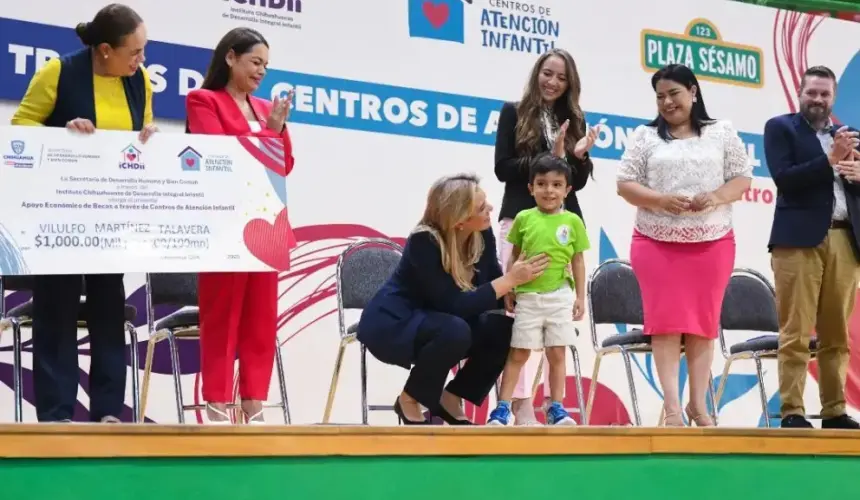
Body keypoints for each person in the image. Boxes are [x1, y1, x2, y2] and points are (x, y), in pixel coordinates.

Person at [11, 3, 156, 423]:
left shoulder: (139, 81)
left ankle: (109, 411)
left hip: (110, 214)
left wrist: (148, 138)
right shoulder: (58, 72)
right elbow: (21, 128)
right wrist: (63, 134)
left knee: (108, 311)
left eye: (144, 51)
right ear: (106, 49)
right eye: (135, 51)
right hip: (60, 213)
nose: (141, 60)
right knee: (55, 310)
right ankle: (57, 412)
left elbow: (141, 135)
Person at [616, 64, 752, 426]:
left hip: (713, 242)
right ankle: (673, 409)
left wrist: (717, 196)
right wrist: (660, 200)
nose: (667, 102)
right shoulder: (645, 137)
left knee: (703, 325)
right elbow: (625, 183)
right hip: (655, 242)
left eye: (673, 93)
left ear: (693, 91)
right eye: (660, 96)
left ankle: (698, 405)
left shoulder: (721, 132)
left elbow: (742, 178)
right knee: (665, 324)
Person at [357, 174, 549, 425]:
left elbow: (491, 289)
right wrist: (510, 281)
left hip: (441, 323)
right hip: (394, 325)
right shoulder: (423, 241)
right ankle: (410, 398)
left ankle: (452, 397)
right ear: (459, 221)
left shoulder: (482, 233)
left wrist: (536, 302)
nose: (490, 208)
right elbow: (453, 304)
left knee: (504, 330)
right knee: (455, 330)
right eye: (482, 207)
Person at [185, 27, 296, 424]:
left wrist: (277, 128)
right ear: (230, 58)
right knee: (222, 314)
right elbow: (219, 153)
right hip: (223, 222)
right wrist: (270, 133)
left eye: (266, 64)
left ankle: (253, 401)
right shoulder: (204, 100)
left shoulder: (268, 107)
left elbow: (284, 164)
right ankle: (216, 399)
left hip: (266, 221)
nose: (261, 71)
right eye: (254, 62)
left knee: (261, 317)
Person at [493, 48, 597, 425]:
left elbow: (577, 182)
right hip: (521, 221)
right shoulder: (513, 112)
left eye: (561, 77)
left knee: (555, 323)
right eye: (547, 73)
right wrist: (547, 157)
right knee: (517, 317)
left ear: (571, 84)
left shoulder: (576, 118)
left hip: (564, 229)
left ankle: (551, 405)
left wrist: (578, 158)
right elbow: (503, 168)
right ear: (537, 73)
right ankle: (516, 406)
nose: (552, 82)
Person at [765, 65, 860, 429]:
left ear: (833, 98)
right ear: (800, 94)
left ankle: (835, 410)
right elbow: (784, 179)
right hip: (797, 240)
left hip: (844, 239)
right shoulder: (781, 128)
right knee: (796, 330)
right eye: (812, 93)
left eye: (825, 94)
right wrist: (830, 160)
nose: (818, 100)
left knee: (837, 332)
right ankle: (793, 410)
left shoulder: (850, 136)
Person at [487, 155, 589, 426]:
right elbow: (514, 256)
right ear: (531, 188)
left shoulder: (573, 222)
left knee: (556, 353)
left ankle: (556, 408)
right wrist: (509, 288)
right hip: (528, 298)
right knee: (519, 353)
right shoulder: (523, 218)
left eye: (557, 185)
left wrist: (580, 296)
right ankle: (502, 409)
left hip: (560, 298)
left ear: (567, 190)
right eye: (542, 184)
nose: (549, 190)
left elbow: (577, 260)